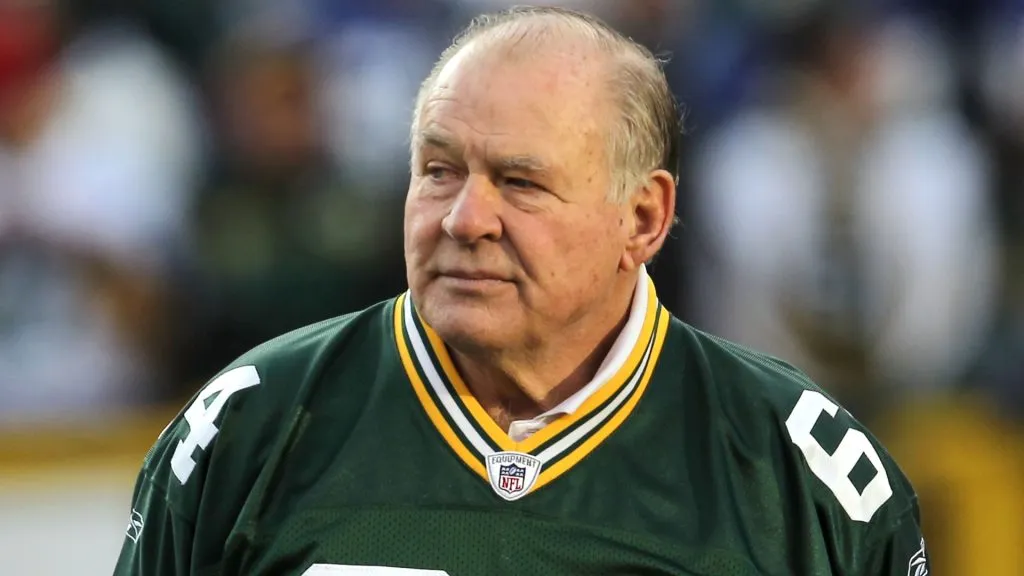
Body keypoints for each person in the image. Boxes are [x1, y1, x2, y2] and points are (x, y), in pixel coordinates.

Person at [114, 6, 930, 575]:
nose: (466, 219)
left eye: (520, 182)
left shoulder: (800, 469)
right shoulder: (250, 427)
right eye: (439, 171)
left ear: (643, 218)